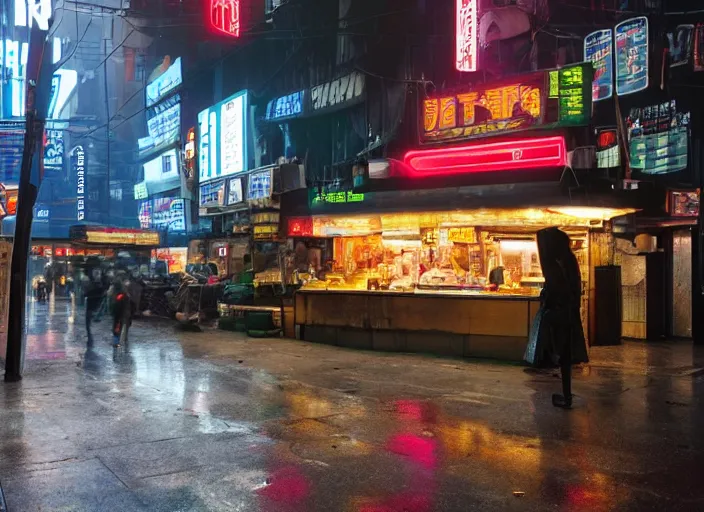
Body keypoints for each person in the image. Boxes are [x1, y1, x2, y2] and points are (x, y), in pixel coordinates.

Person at [536, 227, 589, 409]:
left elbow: (557, 289)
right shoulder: (568, 260)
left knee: (562, 353)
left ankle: (567, 397)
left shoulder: (558, 264)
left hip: (561, 313)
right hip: (567, 312)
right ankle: (566, 395)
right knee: (565, 355)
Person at [82, 262, 105, 349]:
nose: (97, 274)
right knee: (88, 322)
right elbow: (86, 293)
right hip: (92, 303)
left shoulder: (101, 281)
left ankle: (91, 337)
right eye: (95, 272)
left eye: (98, 272)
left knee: (89, 322)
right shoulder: (89, 281)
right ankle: (90, 337)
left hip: (95, 303)